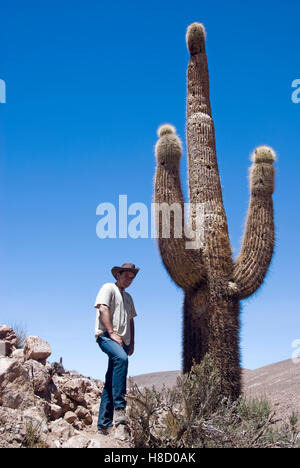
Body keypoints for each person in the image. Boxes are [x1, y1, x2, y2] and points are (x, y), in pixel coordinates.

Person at [94, 262, 139, 434]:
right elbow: (103, 309)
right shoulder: (108, 288)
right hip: (107, 336)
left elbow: (131, 320)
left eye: (132, 277)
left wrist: (132, 343)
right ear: (118, 275)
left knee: (110, 381)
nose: (129, 279)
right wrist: (111, 332)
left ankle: (104, 425)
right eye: (126, 275)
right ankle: (120, 409)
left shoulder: (128, 298)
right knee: (121, 359)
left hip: (123, 342)